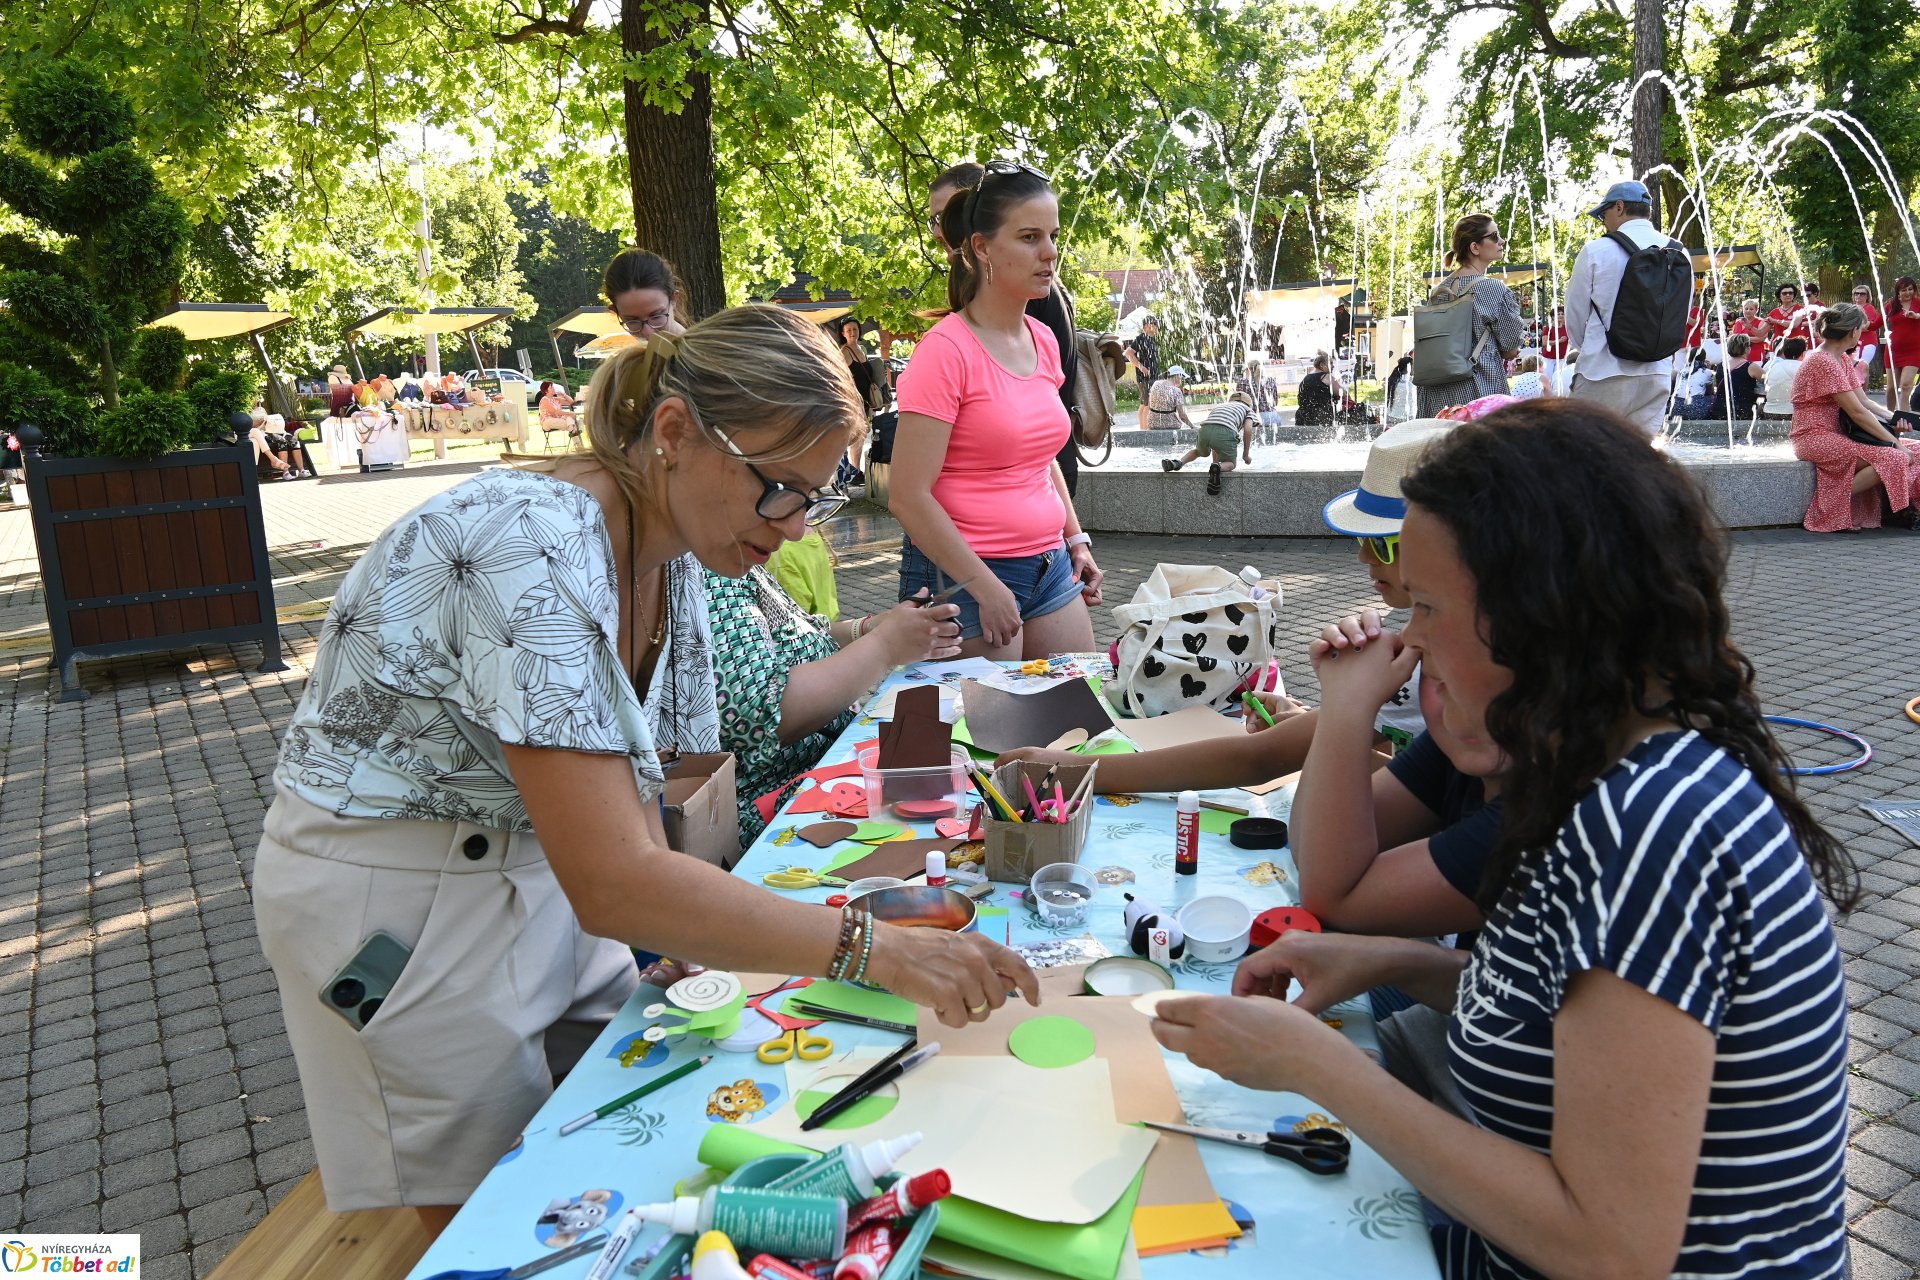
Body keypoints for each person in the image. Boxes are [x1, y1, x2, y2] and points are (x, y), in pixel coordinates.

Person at [251, 306, 1041, 1225]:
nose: (792, 529)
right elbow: (619, 883)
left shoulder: (674, 560)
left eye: (815, 499)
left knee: (614, 1125)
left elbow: (664, 796)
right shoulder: (529, 544)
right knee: (489, 1217)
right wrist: (876, 951)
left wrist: (695, 927)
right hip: (394, 904)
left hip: (535, 866)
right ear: (674, 434)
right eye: (779, 488)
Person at [1151, 403, 1855, 1280]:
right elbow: (1566, 1013)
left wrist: (1320, 1066)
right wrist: (1386, 964)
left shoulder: (1651, 829)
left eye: (1430, 607)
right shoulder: (1602, 775)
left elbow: (1611, 1247)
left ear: (1536, 617)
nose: (1408, 636)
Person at [1001, 422, 1458, 793]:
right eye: (1362, 540)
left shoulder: (1427, 666)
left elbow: (1270, 770)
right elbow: (1415, 765)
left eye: (1381, 544)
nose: (1360, 558)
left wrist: (1078, 771)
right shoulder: (1420, 660)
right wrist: (1320, 719)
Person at [891, 161, 1104, 660]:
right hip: (962, 577)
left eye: (1052, 235)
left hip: (1049, 566)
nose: (1049, 253)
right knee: (988, 737)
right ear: (982, 247)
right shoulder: (945, 351)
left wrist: (1076, 539)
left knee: (1081, 725)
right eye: (1029, 237)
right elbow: (907, 496)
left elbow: (1039, 456)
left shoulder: (1044, 339)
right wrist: (983, 586)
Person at [705, 567, 963, 849]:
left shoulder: (739, 567)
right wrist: (885, 645)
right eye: (786, 518)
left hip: (824, 779)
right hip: (775, 818)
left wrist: (870, 628)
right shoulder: (716, 576)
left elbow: (802, 642)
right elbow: (763, 716)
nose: (799, 531)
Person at [927, 163, 1083, 496]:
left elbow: (1034, 434)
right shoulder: (952, 338)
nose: (940, 231)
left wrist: (1075, 541)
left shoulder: (1028, 296)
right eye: (934, 221)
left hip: (1042, 475)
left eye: (945, 216)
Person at [1565, 180, 1693, 437]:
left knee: (1584, 456)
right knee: (1636, 461)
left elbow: (1575, 316)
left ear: (1620, 207)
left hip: (1602, 371)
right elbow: (1682, 313)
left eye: (1604, 214)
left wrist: (1591, 347)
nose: (1604, 221)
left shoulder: (1596, 250)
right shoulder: (1679, 252)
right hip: (1656, 373)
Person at [1790, 301, 1920, 532]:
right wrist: (1894, 443)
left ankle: (1903, 510)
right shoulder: (1824, 361)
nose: (1863, 332)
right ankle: (1830, 508)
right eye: (1861, 327)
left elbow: (1866, 402)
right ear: (1852, 331)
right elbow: (1857, 413)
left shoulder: (1841, 358)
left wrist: (1896, 420)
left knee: (1916, 450)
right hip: (1814, 437)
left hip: (1839, 433)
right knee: (1895, 457)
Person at [1416, 213, 1523, 418]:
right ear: (1475, 247)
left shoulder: (1438, 292)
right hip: (1479, 392)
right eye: (1494, 236)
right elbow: (1511, 349)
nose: (1501, 241)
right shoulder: (1493, 289)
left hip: (1435, 395)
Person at [1160, 391, 1253, 495]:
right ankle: (1219, 467)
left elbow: (1214, 429)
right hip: (1226, 431)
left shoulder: (1222, 406)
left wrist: (1215, 462)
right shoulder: (1248, 410)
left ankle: (1178, 462)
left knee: (1198, 452)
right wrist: (1245, 455)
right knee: (1231, 464)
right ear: (1249, 404)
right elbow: (1248, 430)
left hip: (1204, 429)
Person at [604, 247, 689, 338]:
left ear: (674, 299)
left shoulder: (699, 351)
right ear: (615, 312)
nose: (648, 333)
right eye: (632, 321)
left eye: (656, 316)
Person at [1708, 333, 1764, 422]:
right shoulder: (1751, 367)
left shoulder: (1721, 364)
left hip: (1719, 409)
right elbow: (1768, 379)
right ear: (1746, 349)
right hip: (1741, 410)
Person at [1886, 276, 1920, 413]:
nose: (1907, 293)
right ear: (1898, 291)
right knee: (1891, 388)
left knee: (1906, 386)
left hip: (1914, 350)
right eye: (1904, 290)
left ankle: (1903, 420)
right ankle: (1888, 417)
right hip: (1893, 351)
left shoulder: (1918, 303)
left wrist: (1917, 316)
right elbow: (1876, 322)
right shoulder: (1891, 305)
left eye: (1910, 289)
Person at [1762, 336, 1807, 416]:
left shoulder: (1772, 366)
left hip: (1769, 411)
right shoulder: (1804, 368)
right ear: (1803, 353)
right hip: (1792, 412)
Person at [1143, 366, 1193, 431]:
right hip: (1170, 425)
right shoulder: (1176, 391)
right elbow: (1182, 416)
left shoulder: (1156, 384)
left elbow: (1149, 405)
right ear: (1177, 376)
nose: (1182, 380)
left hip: (1152, 424)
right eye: (1182, 378)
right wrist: (1192, 426)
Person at [1295, 353, 1338, 426]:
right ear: (1321, 365)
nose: (1333, 366)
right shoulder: (1327, 377)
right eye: (1330, 363)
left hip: (1303, 416)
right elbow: (1343, 394)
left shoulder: (1306, 378)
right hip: (1322, 416)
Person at [1851, 283, 1882, 372]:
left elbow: (1869, 326)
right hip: (1852, 343)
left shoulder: (1869, 308)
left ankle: (1862, 386)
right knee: (1853, 369)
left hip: (1868, 343)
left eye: (1862, 294)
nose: (1859, 295)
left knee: (1862, 367)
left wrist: (1851, 326)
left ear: (1867, 296)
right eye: (1856, 293)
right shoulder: (1850, 308)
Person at [1124, 316, 1163, 389]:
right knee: (1146, 400)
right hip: (1145, 378)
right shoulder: (1141, 338)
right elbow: (1128, 353)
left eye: (1156, 323)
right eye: (1154, 323)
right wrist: (1141, 367)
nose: (1156, 325)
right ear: (1146, 326)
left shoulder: (1153, 340)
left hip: (1154, 377)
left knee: (1154, 400)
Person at [537, 379, 579, 445]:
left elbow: (571, 402)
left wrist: (564, 395)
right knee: (574, 423)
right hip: (547, 422)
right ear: (546, 391)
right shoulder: (545, 400)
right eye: (551, 387)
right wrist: (570, 413)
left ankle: (573, 433)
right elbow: (556, 412)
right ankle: (577, 441)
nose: (553, 388)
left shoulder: (555, 399)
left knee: (572, 422)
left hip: (558, 419)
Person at [1536, 305, 1567, 386]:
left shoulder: (1566, 328)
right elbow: (1544, 343)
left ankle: (1557, 397)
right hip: (1549, 359)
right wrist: (1559, 341)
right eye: (1558, 314)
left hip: (1561, 359)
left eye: (1562, 314)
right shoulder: (1548, 328)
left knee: (1559, 381)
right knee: (1547, 380)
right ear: (1553, 317)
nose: (1560, 315)